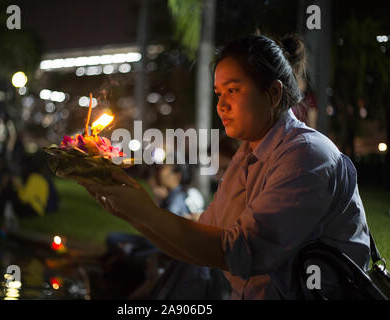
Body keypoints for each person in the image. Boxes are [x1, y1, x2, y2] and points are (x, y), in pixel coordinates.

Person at [78, 34, 371, 300]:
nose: (221, 105)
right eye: (219, 93)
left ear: (273, 93)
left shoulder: (306, 157)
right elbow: (197, 242)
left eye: (233, 90)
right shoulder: (247, 156)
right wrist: (129, 210)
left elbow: (241, 252)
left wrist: (144, 210)